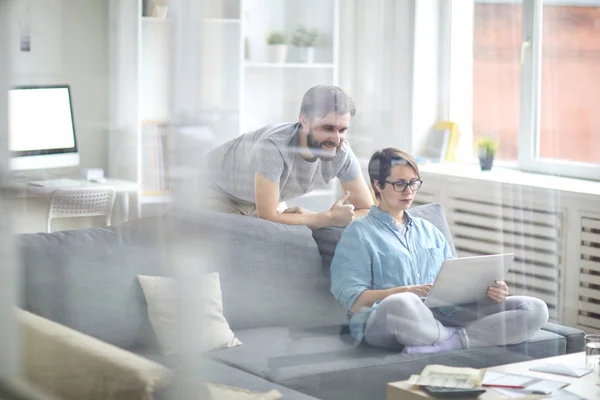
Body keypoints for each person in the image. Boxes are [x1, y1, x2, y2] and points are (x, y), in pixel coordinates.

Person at [330, 148, 548, 353]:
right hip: (388, 320)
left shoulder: (429, 231)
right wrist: (405, 291)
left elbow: (454, 284)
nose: (408, 191)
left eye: (414, 183)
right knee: (401, 303)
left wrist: (489, 292)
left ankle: (449, 342)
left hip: (443, 315)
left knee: (534, 308)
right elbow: (355, 301)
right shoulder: (358, 233)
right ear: (378, 185)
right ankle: (457, 338)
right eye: (399, 184)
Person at [206, 85, 373, 229]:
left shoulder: (342, 153)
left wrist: (335, 218)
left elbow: (367, 210)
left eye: (342, 130)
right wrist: (326, 218)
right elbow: (268, 217)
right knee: (246, 243)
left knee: (288, 241)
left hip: (259, 198)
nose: (336, 139)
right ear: (304, 120)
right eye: (328, 128)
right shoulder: (273, 147)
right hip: (214, 188)